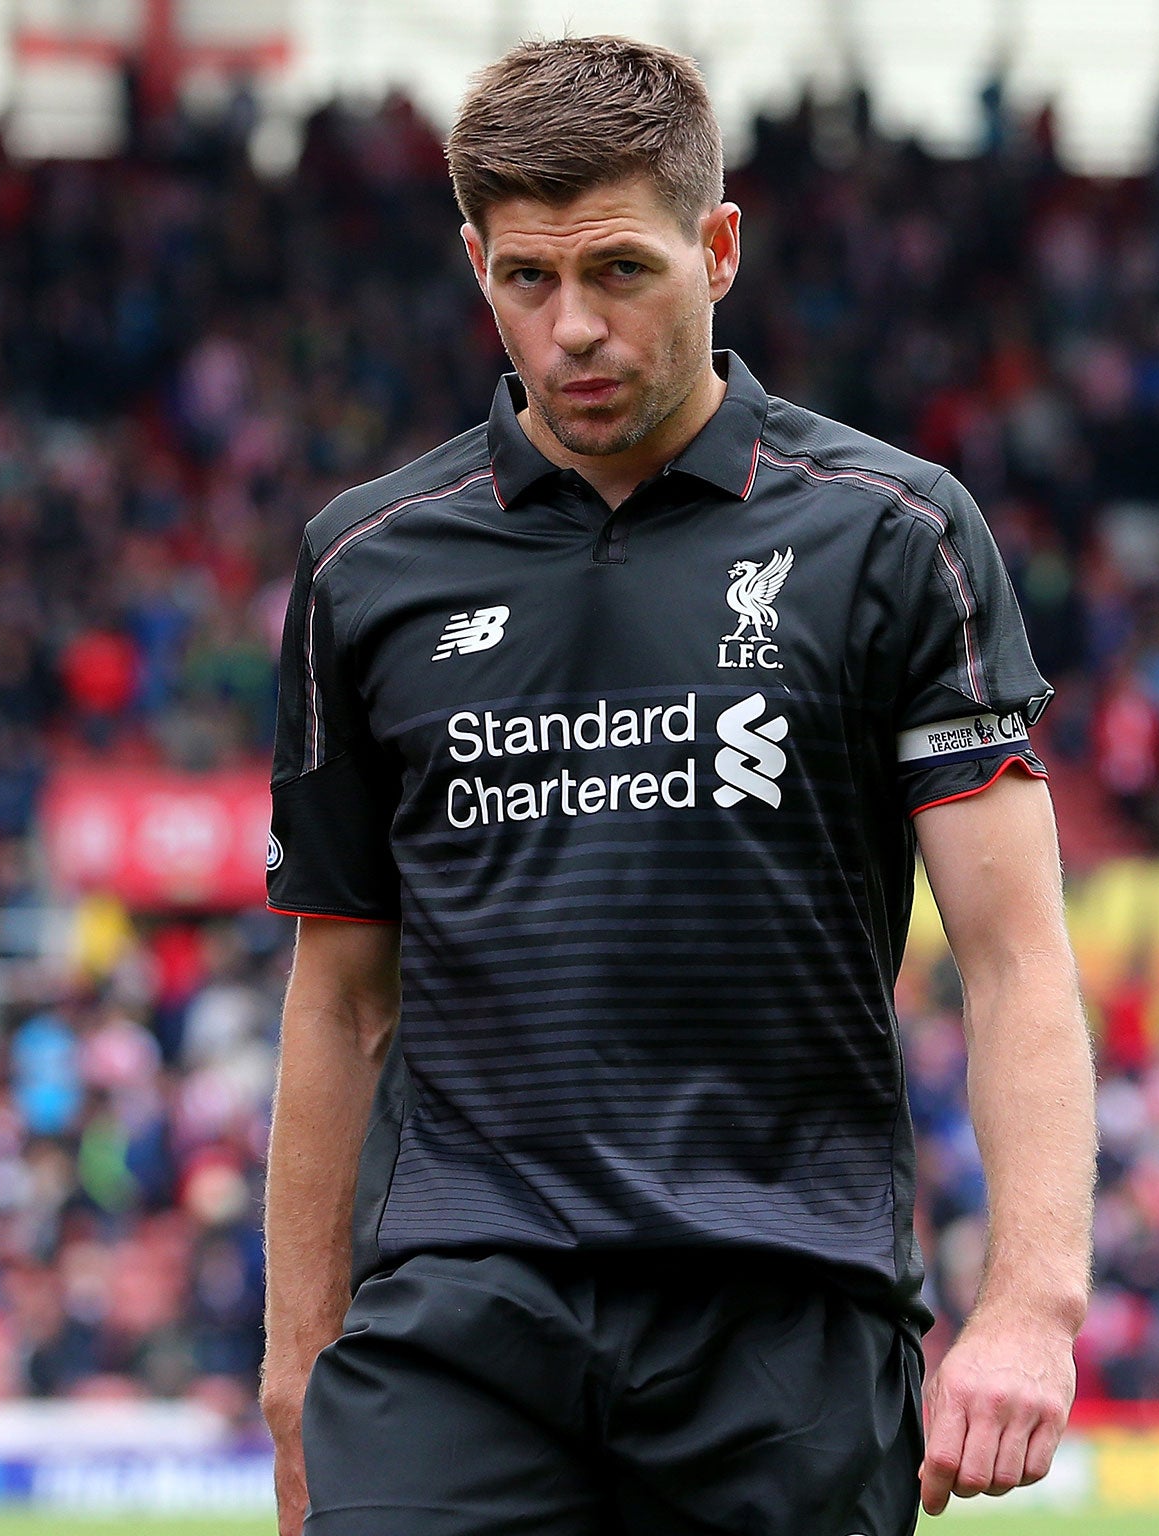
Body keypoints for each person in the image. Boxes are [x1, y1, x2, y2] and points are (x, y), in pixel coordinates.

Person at [259, 35, 1096, 1536]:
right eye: (526, 280)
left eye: (622, 273)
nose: (572, 328)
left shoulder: (894, 535)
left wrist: (1030, 1304)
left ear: (718, 249)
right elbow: (339, 1000)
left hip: (788, 1315)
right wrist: (292, 1352)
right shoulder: (366, 564)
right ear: (475, 264)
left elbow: (1018, 960)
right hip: (457, 1320)